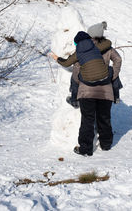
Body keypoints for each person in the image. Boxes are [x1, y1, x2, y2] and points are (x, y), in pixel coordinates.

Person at [50, 22, 122, 156]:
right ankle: (106, 145)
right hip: (106, 90)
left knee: (87, 120)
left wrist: (77, 86)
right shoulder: (108, 48)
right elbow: (118, 59)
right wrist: (112, 75)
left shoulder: (83, 50)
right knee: (104, 118)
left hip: (87, 91)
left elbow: (76, 70)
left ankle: (86, 149)